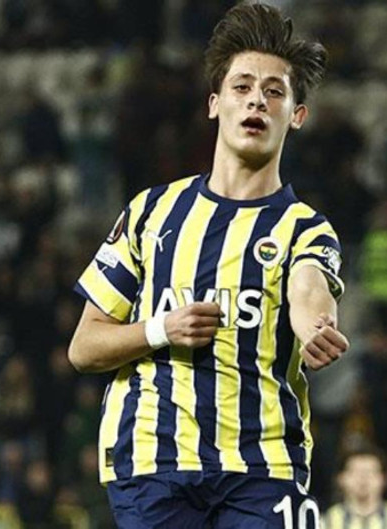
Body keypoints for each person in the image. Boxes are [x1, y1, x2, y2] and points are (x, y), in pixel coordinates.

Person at [67, 3, 349, 528]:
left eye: (274, 92)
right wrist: (161, 329)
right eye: (242, 87)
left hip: (263, 467)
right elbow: (84, 348)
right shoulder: (151, 212)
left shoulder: (304, 228)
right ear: (215, 104)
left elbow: (310, 290)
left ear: (297, 115)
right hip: (154, 462)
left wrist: (315, 327)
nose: (257, 101)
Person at [323, 448, 387, 529]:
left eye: (370, 472)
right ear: (340, 478)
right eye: (355, 472)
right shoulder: (327, 522)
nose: (363, 479)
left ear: (383, 478)